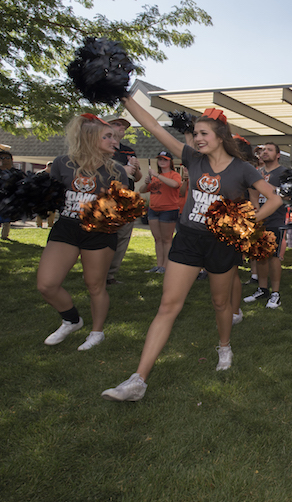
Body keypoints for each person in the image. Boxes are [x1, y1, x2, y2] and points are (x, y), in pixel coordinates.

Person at [101, 98, 282, 402]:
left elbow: (275, 199)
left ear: (220, 136)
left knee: (220, 303)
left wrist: (243, 221)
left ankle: (224, 346)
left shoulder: (242, 169)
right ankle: (138, 380)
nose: (197, 138)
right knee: (168, 305)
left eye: (203, 134)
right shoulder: (191, 157)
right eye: (195, 133)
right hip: (187, 239)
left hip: (222, 244)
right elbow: (154, 126)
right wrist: (124, 97)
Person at [37, 114, 129, 350]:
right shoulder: (61, 163)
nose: (114, 141)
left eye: (113, 136)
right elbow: (53, 195)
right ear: (89, 138)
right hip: (66, 228)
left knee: (95, 285)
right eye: (107, 136)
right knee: (47, 284)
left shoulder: (117, 171)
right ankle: (71, 320)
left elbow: (122, 209)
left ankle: (97, 332)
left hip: (99, 232)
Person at [243, 142, 287, 308]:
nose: (265, 152)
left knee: (273, 256)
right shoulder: (256, 173)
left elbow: (289, 195)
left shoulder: (283, 172)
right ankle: (262, 289)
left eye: (270, 150)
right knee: (259, 255)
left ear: (278, 155)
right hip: (257, 219)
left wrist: (270, 190)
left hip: (275, 220)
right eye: (263, 150)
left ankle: (275, 293)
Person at [105, 117, 142, 285]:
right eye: (117, 124)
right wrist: (122, 170)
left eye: (124, 126)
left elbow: (137, 177)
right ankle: (97, 272)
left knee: (122, 238)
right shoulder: (102, 149)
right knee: (105, 236)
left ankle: (111, 275)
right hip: (108, 200)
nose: (122, 128)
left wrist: (136, 168)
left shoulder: (128, 151)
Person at [139, 151, 182, 273]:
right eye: (160, 159)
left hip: (168, 209)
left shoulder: (174, 174)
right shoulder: (155, 176)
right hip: (153, 210)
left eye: (165, 159)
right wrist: (147, 182)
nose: (162, 162)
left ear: (170, 162)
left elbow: (175, 184)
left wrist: (157, 176)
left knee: (167, 239)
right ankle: (159, 265)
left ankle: (166, 266)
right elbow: (143, 190)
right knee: (158, 239)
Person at [35, 161, 57, 228]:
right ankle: (39, 225)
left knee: (51, 211)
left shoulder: (55, 175)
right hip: (41, 195)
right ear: (47, 166)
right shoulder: (40, 174)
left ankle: (50, 224)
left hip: (51, 195)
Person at [0, 150, 13, 239]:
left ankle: (5, 236)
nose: (5, 160)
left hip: (9, 200)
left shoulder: (16, 173)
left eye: (7, 158)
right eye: (2, 158)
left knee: (7, 220)